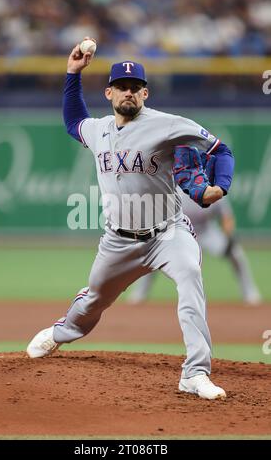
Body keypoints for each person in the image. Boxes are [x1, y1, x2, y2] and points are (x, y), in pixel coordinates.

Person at [27, 38, 234, 400]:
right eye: (122, 87)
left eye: (135, 88)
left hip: (168, 234)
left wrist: (222, 186)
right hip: (118, 241)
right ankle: (60, 332)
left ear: (145, 94)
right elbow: (73, 120)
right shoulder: (99, 129)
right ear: (109, 92)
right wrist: (73, 74)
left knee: (191, 281)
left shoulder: (169, 125)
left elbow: (220, 149)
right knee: (94, 301)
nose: (129, 93)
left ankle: (195, 373)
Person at [128, 191, 262, 305]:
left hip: (206, 231)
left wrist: (228, 236)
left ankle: (249, 292)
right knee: (155, 254)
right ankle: (139, 294)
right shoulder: (176, 187)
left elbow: (226, 216)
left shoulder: (213, 187)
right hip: (180, 230)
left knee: (236, 253)